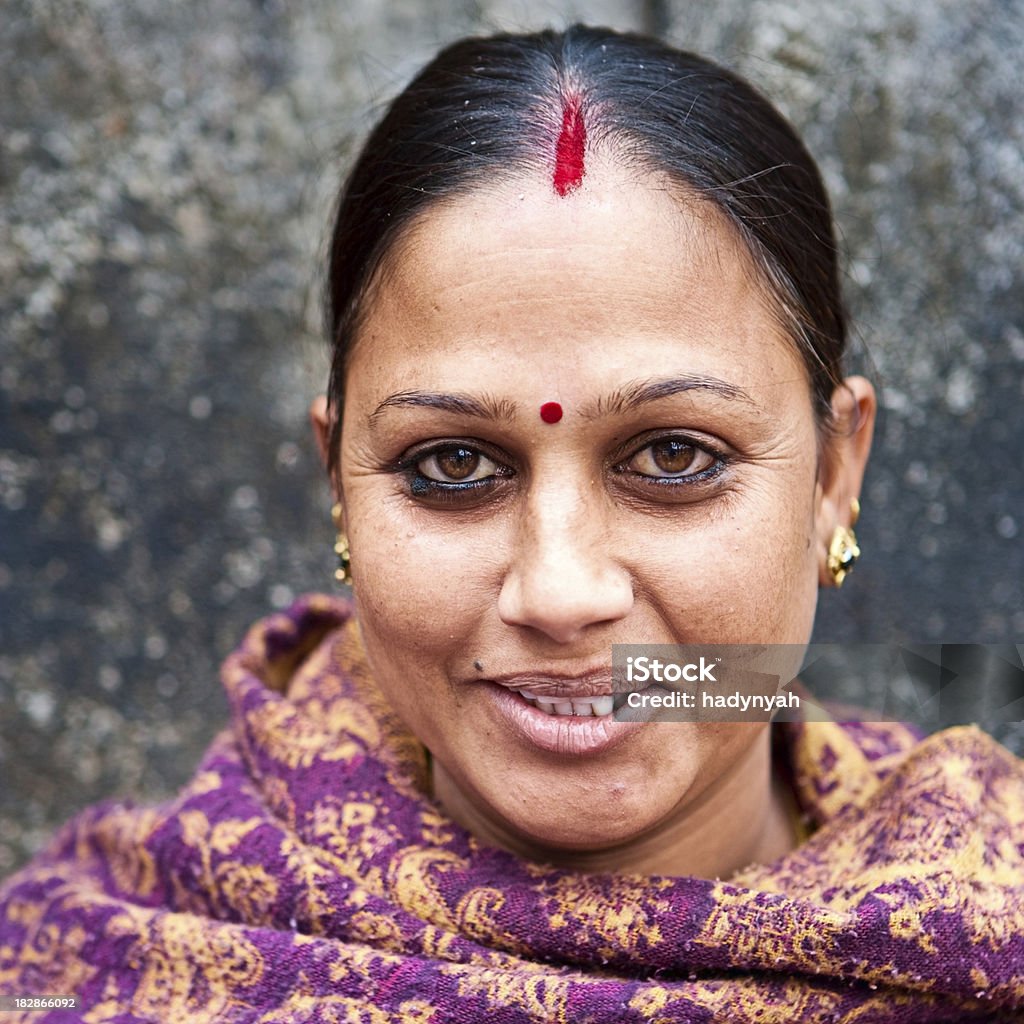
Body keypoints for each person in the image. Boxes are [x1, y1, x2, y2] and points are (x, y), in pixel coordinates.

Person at [1, 24, 1022, 1023]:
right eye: (452, 465)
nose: (560, 593)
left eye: (675, 456)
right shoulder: (91, 969)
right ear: (339, 484)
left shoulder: (984, 926)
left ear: (834, 475)